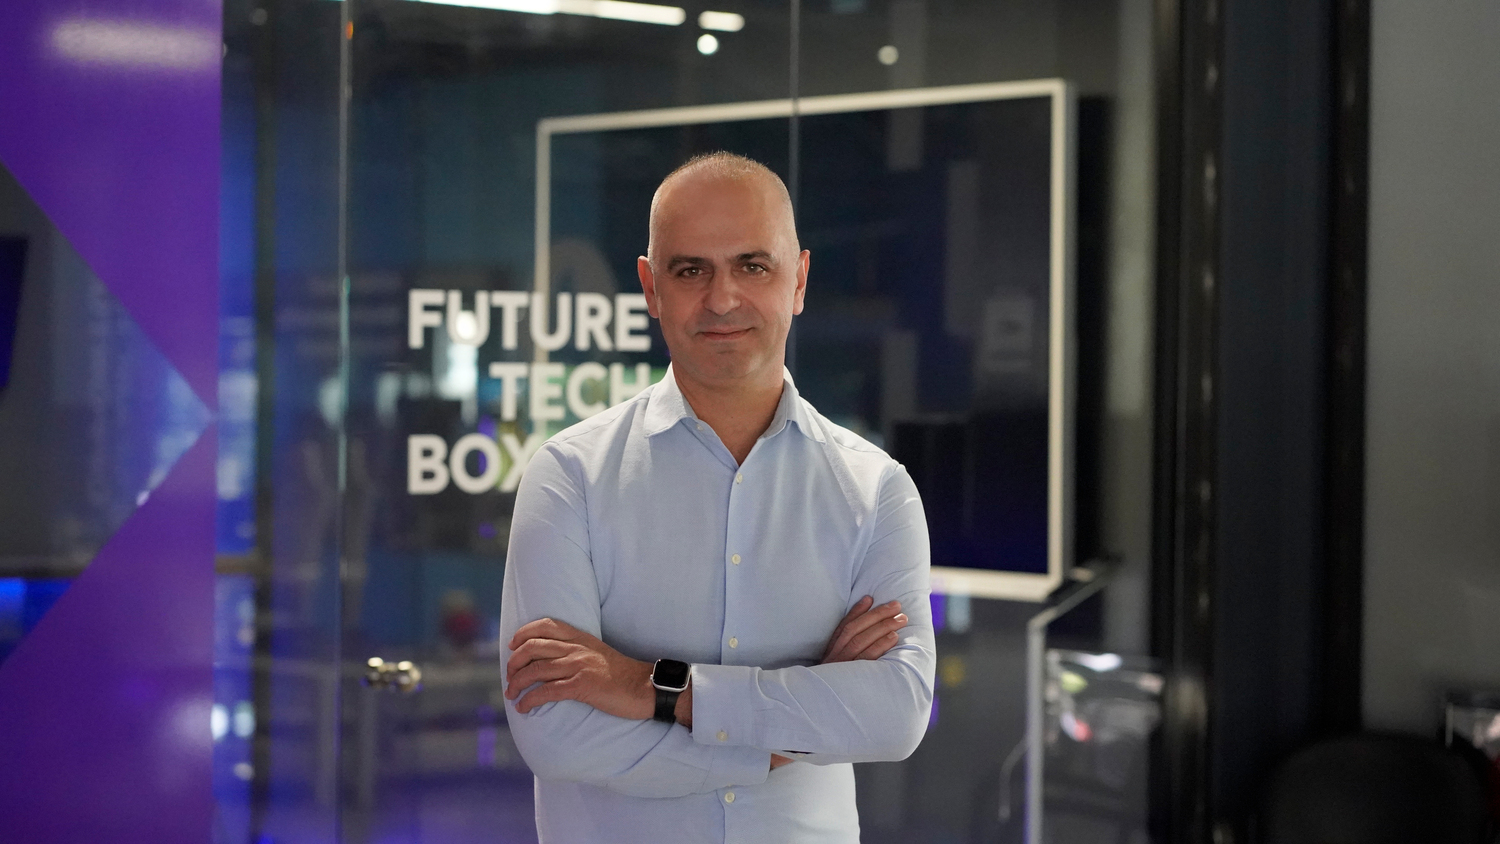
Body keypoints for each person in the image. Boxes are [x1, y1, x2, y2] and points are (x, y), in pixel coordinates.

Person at [498, 152, 936, 843]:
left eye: (753, 266)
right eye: (690, 270)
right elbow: (554, 732)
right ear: (651, 287)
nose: (723, 298)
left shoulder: (876, 490)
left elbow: (895, 714)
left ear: (799, 280)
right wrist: (795, 727)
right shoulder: (569, 476)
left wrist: (649, 689)